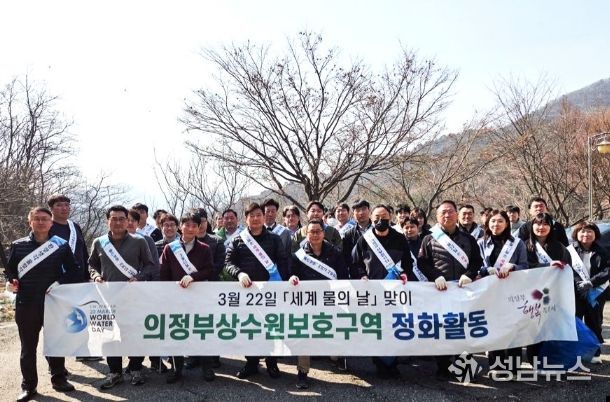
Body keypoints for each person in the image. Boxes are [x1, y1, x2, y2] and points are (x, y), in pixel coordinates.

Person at [6, 207, 81, 402]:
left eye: (44, 219)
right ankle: (28, 386)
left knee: (55, 343)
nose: (41, 222)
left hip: (53, 302)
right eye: (36, 219)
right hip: (26, 303)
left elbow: (74, 270)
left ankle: (59, 379)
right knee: (28, 348)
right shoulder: (18, 245)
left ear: (51, 223)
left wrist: (59, 283)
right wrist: (10, 281)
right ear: (30, 222)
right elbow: (11, 271)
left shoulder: (61, 245)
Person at [88, 205, 156, 389]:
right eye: (114, 219)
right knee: (110, 335)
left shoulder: (139, 241)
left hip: (133, 297)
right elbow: (92, 264)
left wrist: (139, 277)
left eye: (121, 219)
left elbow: (150, 265)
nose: (117, 222)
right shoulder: (99, 242)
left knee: (135, 334)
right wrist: (95, 275)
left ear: (127, 221)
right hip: (108, 298)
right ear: (107, 221)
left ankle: (135, 368)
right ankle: (115, 372)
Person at [224, 203, 291, 379]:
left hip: (270, 293)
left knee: (272, 328)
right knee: (250, 327)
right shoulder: (238, 240)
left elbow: (283, 262)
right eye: (251, 215)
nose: (255, 218)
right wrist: (239, 273)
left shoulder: (274, 239)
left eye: (258, 215)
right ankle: (251, 363)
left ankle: (272, 362)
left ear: (264, 217)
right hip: (247, 293)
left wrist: (280, 284)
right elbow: (228, 263)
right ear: (246, 219)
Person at [418, 200, 483, 380]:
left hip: (463, 291)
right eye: (443, 212)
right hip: (440, 291)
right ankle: (443, 368)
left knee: (464, 329)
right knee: (442, 329)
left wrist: (469, 274)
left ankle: (465, 369)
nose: (447, 215)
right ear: (437, 216)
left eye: (450, 211)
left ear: (457, 214)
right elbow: (422, 262)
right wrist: (435, 276)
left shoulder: (468, 239)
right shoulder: (429, 238)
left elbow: (477, 261)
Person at [351, 204, 414, 379]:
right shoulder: (365, 239)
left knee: (392, 326)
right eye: (377, 217)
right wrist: (361, 275)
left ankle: (393, 363)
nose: (381, 220)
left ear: (390, 217)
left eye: (384, 217)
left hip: (394, 292)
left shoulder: (399, 238)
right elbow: (355, 263)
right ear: (372, 219)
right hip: (373, 292)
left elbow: (408, 263)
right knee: (377, 327)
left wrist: (405, 274)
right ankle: (379, 363)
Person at [289, 219, 349, 388]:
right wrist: (292, 278)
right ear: (306, 234)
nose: (315, 235)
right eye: (311, 232)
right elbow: (291, 273)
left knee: (334, 332)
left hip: (331, 301)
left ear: (324, 233)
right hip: (307, 302)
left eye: (318, 231)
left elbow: (343, 277)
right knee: (304, 336)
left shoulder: (335, 253)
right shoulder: (299, 255)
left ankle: (337, 357)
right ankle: (302, 372)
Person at [159, 212, 217, 383]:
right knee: (177, 332)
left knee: (201, 332)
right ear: (180, 226)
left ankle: (207, 368)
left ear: (199, 228)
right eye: (187, 225)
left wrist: (194, 277)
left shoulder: (205, 249)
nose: (190, 229)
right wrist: (167, 294)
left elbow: (209, 270)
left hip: (199, 298)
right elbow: (164, 274)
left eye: (194, 226)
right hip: (176, 298)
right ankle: (177, 369)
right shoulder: (170, 248)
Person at [47, 194, 101, 363]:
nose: (64, 208)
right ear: (51, 208)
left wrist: (87, 275)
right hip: (57, 281)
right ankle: (56, 362)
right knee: (57, 320)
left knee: (80, 315)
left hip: (78, 279)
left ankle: (82, 350)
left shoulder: (74, 226)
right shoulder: (47, 226)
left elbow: (83, 251)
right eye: (59, 205)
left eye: (66, 205)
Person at [477, 210, 528, 374]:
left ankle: (513, 368)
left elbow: (525, 266)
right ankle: (496, 367)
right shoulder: (481, 243)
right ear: (487, 223)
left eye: (500, 221)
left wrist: (513, 266)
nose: (496, 224)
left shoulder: (518, 243)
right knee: (494, 329)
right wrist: (485, 270)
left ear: (507, 224)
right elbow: (476, 266)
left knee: (514, 330)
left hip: (513, 293)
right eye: (493, 221)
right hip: (490, 292)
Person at [523, 212, 571, 365]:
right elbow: (524, 267)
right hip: (531, 293)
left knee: (551, 327)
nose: (541, 227)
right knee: (534, 328)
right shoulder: (524, 245)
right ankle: (534, 360)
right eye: (538, 223)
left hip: (553, 293)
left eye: (545, 224)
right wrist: (546, 265)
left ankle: (551, 360)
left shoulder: (559, 247)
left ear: (551, 227)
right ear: (532, 226)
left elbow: (567, 268)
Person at [567, 221, 609, 364]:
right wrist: (578, 283)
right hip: (575, 292)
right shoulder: (569, 250)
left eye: (590, 231)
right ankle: (574, 352)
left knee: (594, 322)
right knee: (575, 322)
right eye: (582, 231)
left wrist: (591, 282)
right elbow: (566, 269)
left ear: (595, 234)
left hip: (596, 292)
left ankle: (594, 352)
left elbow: (607, 270)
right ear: (576, 234)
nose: (586, 234)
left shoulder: (603, 251)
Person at [342, 199, 372, 279]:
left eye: (364, 209)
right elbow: (348, 258)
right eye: (358, 210)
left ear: (369, 210)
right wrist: (361, 274)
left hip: (377, 276)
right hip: (357, 277)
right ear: (353, 214)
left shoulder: (377, 231)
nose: (361, 213)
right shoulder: (348, 234)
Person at [127, 209, 160, 280]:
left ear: (138, 223)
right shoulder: (114, 241)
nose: (130, 223)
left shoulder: (148, 240)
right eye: (127, 220)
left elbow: (155, 265)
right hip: (117, 283)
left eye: (133, 220)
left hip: (143, 283)